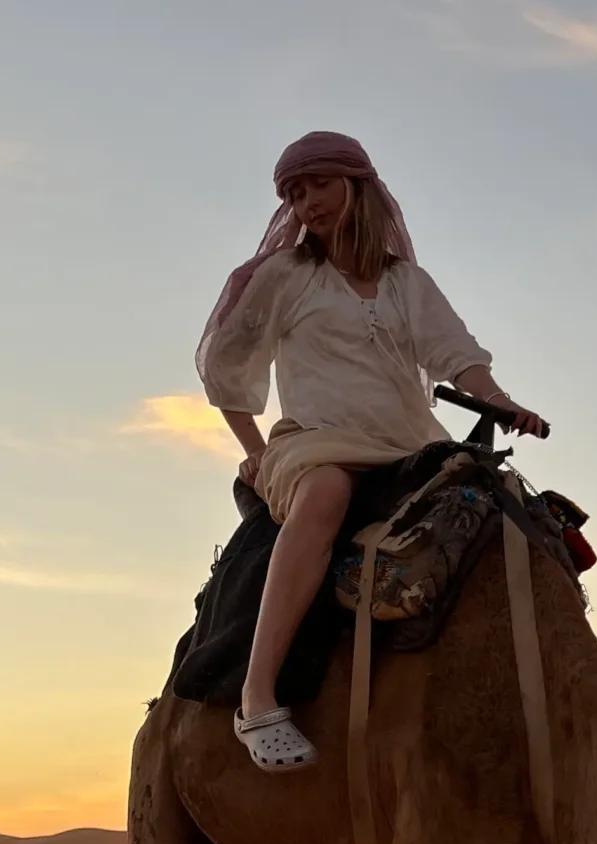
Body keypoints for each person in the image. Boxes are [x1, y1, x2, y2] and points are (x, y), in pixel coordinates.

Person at [198, 129, 547, 770]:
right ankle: (258, 695)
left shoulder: (406, 282)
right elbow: (226, 366)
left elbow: (457, 357)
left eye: (320, 186)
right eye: (296, 194)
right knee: (327, 490)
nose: (309, 205)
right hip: (312, 443)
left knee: (512, 510)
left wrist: (501, 402)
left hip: (407, 445)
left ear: (357, 186)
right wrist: (252, 451)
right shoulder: (285, 276)